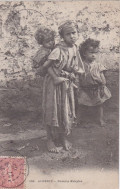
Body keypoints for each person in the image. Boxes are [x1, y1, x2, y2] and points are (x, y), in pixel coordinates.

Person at [42, 20, 85, 152]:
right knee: (52, 110)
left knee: (65, 111)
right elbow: (45, 67)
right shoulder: (58, 49)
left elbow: (77, 64)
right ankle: (49, 140)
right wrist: (58, 75)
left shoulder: (75, 48)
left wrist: (74, 73)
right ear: (62, 36)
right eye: (68, 34)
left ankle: (63, 137)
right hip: (53, 85)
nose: (72, 36)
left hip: (66, 84)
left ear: (78, 33)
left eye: (74, 33)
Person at [78, 38, 111, 126]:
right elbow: (78, 77)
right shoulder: (81, 65)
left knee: (99, 105)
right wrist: (78, 86)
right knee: (82, 105)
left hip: (96, 89)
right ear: (84, 53)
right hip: (84, 89)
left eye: (95, 53)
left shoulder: (98, 65)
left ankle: (100, 119)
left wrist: (102, 86)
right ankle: (80, 120)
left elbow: (102, 77)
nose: (94, 55)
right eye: (91, 53)